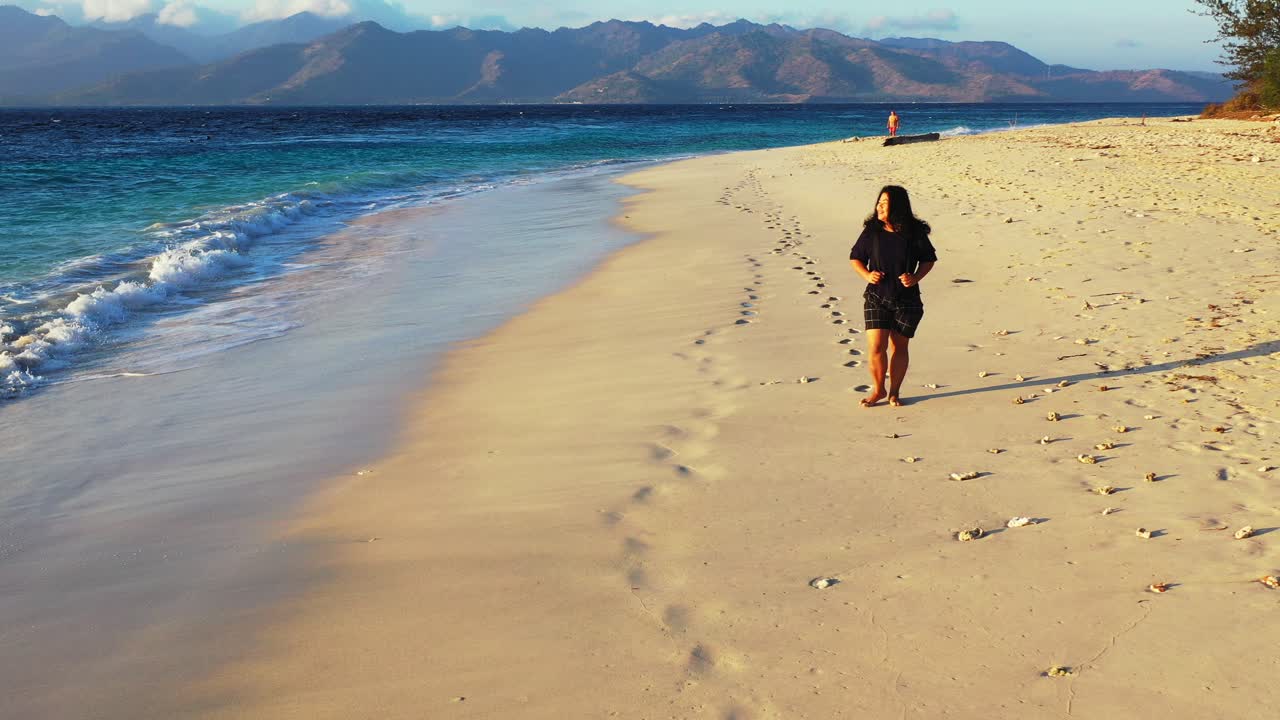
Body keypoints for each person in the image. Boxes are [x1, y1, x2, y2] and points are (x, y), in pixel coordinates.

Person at [848, 185, 937, 407]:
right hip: (876, 296)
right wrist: (867, 275)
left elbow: (929, 259)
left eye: (884, 203)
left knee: (899, 347)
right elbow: (855, 257)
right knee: (876, 346)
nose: (879, 207)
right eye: (878, 202)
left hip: (907, 300)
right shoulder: (872, 231)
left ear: (897, 206)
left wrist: (915, 277)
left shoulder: (914, 233)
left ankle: (894, 392)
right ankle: (878, 390)